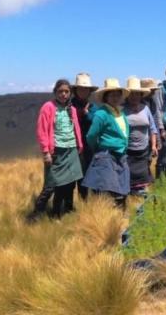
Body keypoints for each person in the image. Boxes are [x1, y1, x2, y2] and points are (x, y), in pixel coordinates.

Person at [29, 79, 84, 221]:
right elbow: (42, 130)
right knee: (51, 183)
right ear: (55, 92)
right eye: (60, 91)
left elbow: (75, 128)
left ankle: (61, 212)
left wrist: (79, 145)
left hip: (71, 150)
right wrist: (46, 152)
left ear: (70, 93)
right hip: (56, 152)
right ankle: (36, 214)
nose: (63, 94)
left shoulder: (71, 109)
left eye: (66, 91)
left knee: (69, 183)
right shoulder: (48, 107)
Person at [82, 78, 130, 209]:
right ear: (105, 96)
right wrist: (98, 149)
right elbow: (91, 135)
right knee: (110, 191)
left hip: (121, 157)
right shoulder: (101, 114)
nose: (115, 97)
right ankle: (107, 223)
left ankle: (121, 221)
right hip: (107, 157)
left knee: (122, 190)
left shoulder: (120, 113)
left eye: (117, 94)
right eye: (112, 94)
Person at [124, 76, 159, 196]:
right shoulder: (122, 110)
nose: (135, 96)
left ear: (141, 95)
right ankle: (129, 199)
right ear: (127, 95)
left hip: (144, 150)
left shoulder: (146, 109)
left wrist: (154, 145)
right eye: (132, 94)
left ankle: (142, 199)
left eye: (137, 94)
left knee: (143, 177)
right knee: (128, 178)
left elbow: (152, 128)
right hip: (128, 151)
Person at [72, 72, 98, 201]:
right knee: (78, 176)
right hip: (72, 146)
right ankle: (82, 202)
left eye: (86, 89)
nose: (83, 91)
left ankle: (92, 203)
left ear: (89, 92)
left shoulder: (93, 108)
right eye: (81, 89)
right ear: (76, 90)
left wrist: (87, 114)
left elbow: (96, 121)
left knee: (91, 173)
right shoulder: (69, 107)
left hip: (89, 147)